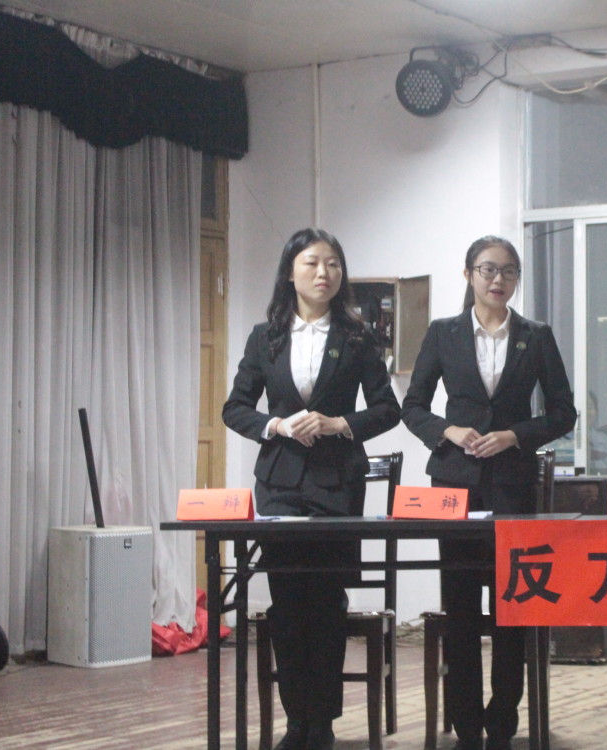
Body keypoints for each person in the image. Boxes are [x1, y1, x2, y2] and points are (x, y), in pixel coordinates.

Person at [222, 228, 401, 750]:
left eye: (333, 264)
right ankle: (294, 721)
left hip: (336, 482)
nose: (324, 273)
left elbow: (386, 409)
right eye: (312, 263)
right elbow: (235, 408)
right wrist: (276, 425)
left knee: (325, 603)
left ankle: (321, 723)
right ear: (290, 272)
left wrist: (338, 423)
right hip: (279, 482)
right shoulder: (265, 336)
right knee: (285, 604)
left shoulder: (357, 337)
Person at [401, 235, 577, 750]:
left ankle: (502, 721)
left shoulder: (535, 336)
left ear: (517, 278)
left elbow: (563, 412)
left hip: (512, 485)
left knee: (511, 606)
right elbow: (413, 406)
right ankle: (465, 723)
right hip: (455, 484)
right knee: (459, 605)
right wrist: (448, 431)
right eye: (487, 270)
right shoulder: (444, 333)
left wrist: (516, 435)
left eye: (508, 271)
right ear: (469, 275)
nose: (498, 280)